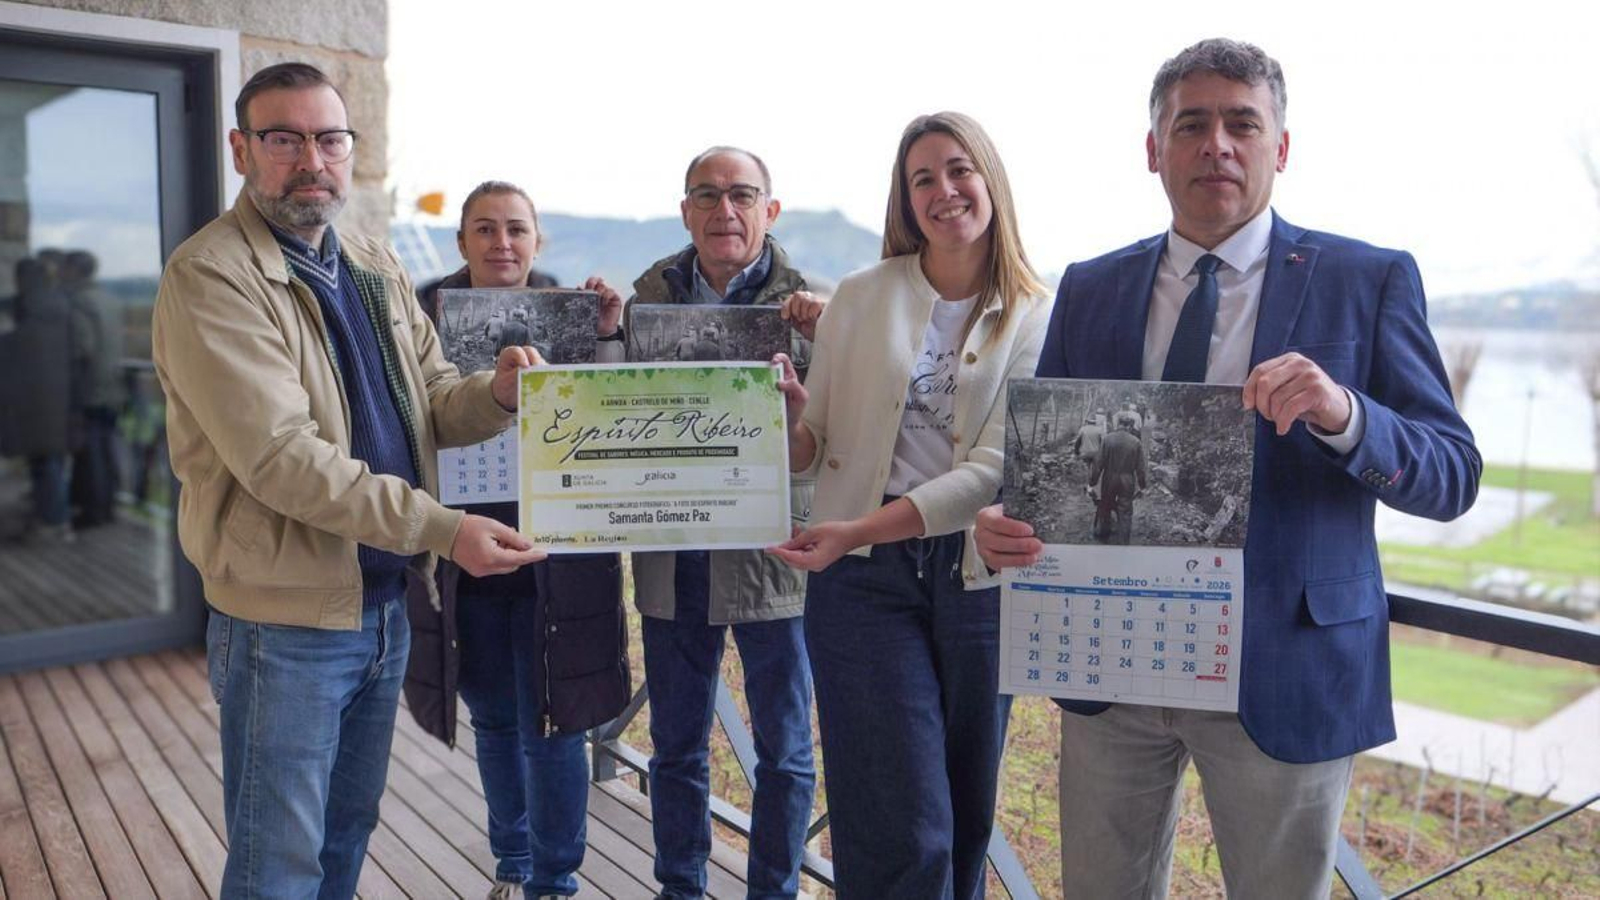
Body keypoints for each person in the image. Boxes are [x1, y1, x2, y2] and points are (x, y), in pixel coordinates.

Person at [974, 38, 1481, 898]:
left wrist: (1347, 415)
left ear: (1279, 147)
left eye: (1243, 123)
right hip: (1112, 664)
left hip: (1285, 664)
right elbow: (1052, 467)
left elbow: (1451, 473)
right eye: (1193, 124)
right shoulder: (1090, 287)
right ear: (1153, 149)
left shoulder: (1370, 279)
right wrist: (1005, 523)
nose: (1218, 144)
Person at [151, 62, 548, 899]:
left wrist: (500, 393)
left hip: (382, 607)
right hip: (283, 623)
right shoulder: (210, 276)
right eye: (284, 138)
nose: (311, 159)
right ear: (241, 149)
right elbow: (281, 458)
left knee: (343, 843)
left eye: (329, 139)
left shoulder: (368, 261)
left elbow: (434, 396)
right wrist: (445, 529)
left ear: (350, 151)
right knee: (278, 864)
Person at [769, 112, 1050, 899]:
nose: (943, 191)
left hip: (978, 582)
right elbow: (814, 444)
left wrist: (856, 526)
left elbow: (998, 468)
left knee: (965, 818)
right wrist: (789, 423)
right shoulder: (860, 296)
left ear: (989, 179)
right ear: (904, 199)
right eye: (921, 178)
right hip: (861, 580)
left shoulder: (1038, 312)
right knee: (900, 820)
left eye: (958, 170)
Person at [401, 179, 630, 900]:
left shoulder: (574, 315)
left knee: (554, 723)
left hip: (554, 553)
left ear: (538, 241)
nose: (503, 244)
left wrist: (609, 336)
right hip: (459, 547)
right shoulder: (419, 315)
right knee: (495, 719)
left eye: (517, 230)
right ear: (461, 239)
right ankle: (513, 863)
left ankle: (555, 881)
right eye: (485, 229)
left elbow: (619, 417)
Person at [627, 145, 824, 900]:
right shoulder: (644, 303)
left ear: (770, 211)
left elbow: (836, 443)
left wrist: (824, 338)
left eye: (742, 194)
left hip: (774, 551)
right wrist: (604, 331)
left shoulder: (816, 307)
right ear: (685, 211)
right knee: (675, 746)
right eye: (706, 195)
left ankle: (772, 892)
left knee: (785, 751)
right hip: (673, 551)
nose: (724, 210)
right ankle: (681, 888)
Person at [62, 250, 126, 529]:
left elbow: (82, 349)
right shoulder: (110, 302)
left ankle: (94, 511)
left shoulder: (78, 303)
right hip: (113, 385)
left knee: (92, 453)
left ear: (74, 271)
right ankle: (109, 506)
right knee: (108, 447)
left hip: (90, 388)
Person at [1090, 412, 1146, 544]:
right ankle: (1123, 542)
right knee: (1125, 511)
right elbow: (1141, 468)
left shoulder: (1108, 439)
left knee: (1105, 504)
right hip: (1127, 480)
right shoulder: (1136, 442)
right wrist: (1142, 486)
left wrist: (1092, 482)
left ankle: (1103, 534)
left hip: (1109, 477)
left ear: (1118, 424)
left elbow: (1098, 464)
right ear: (1130, 426)